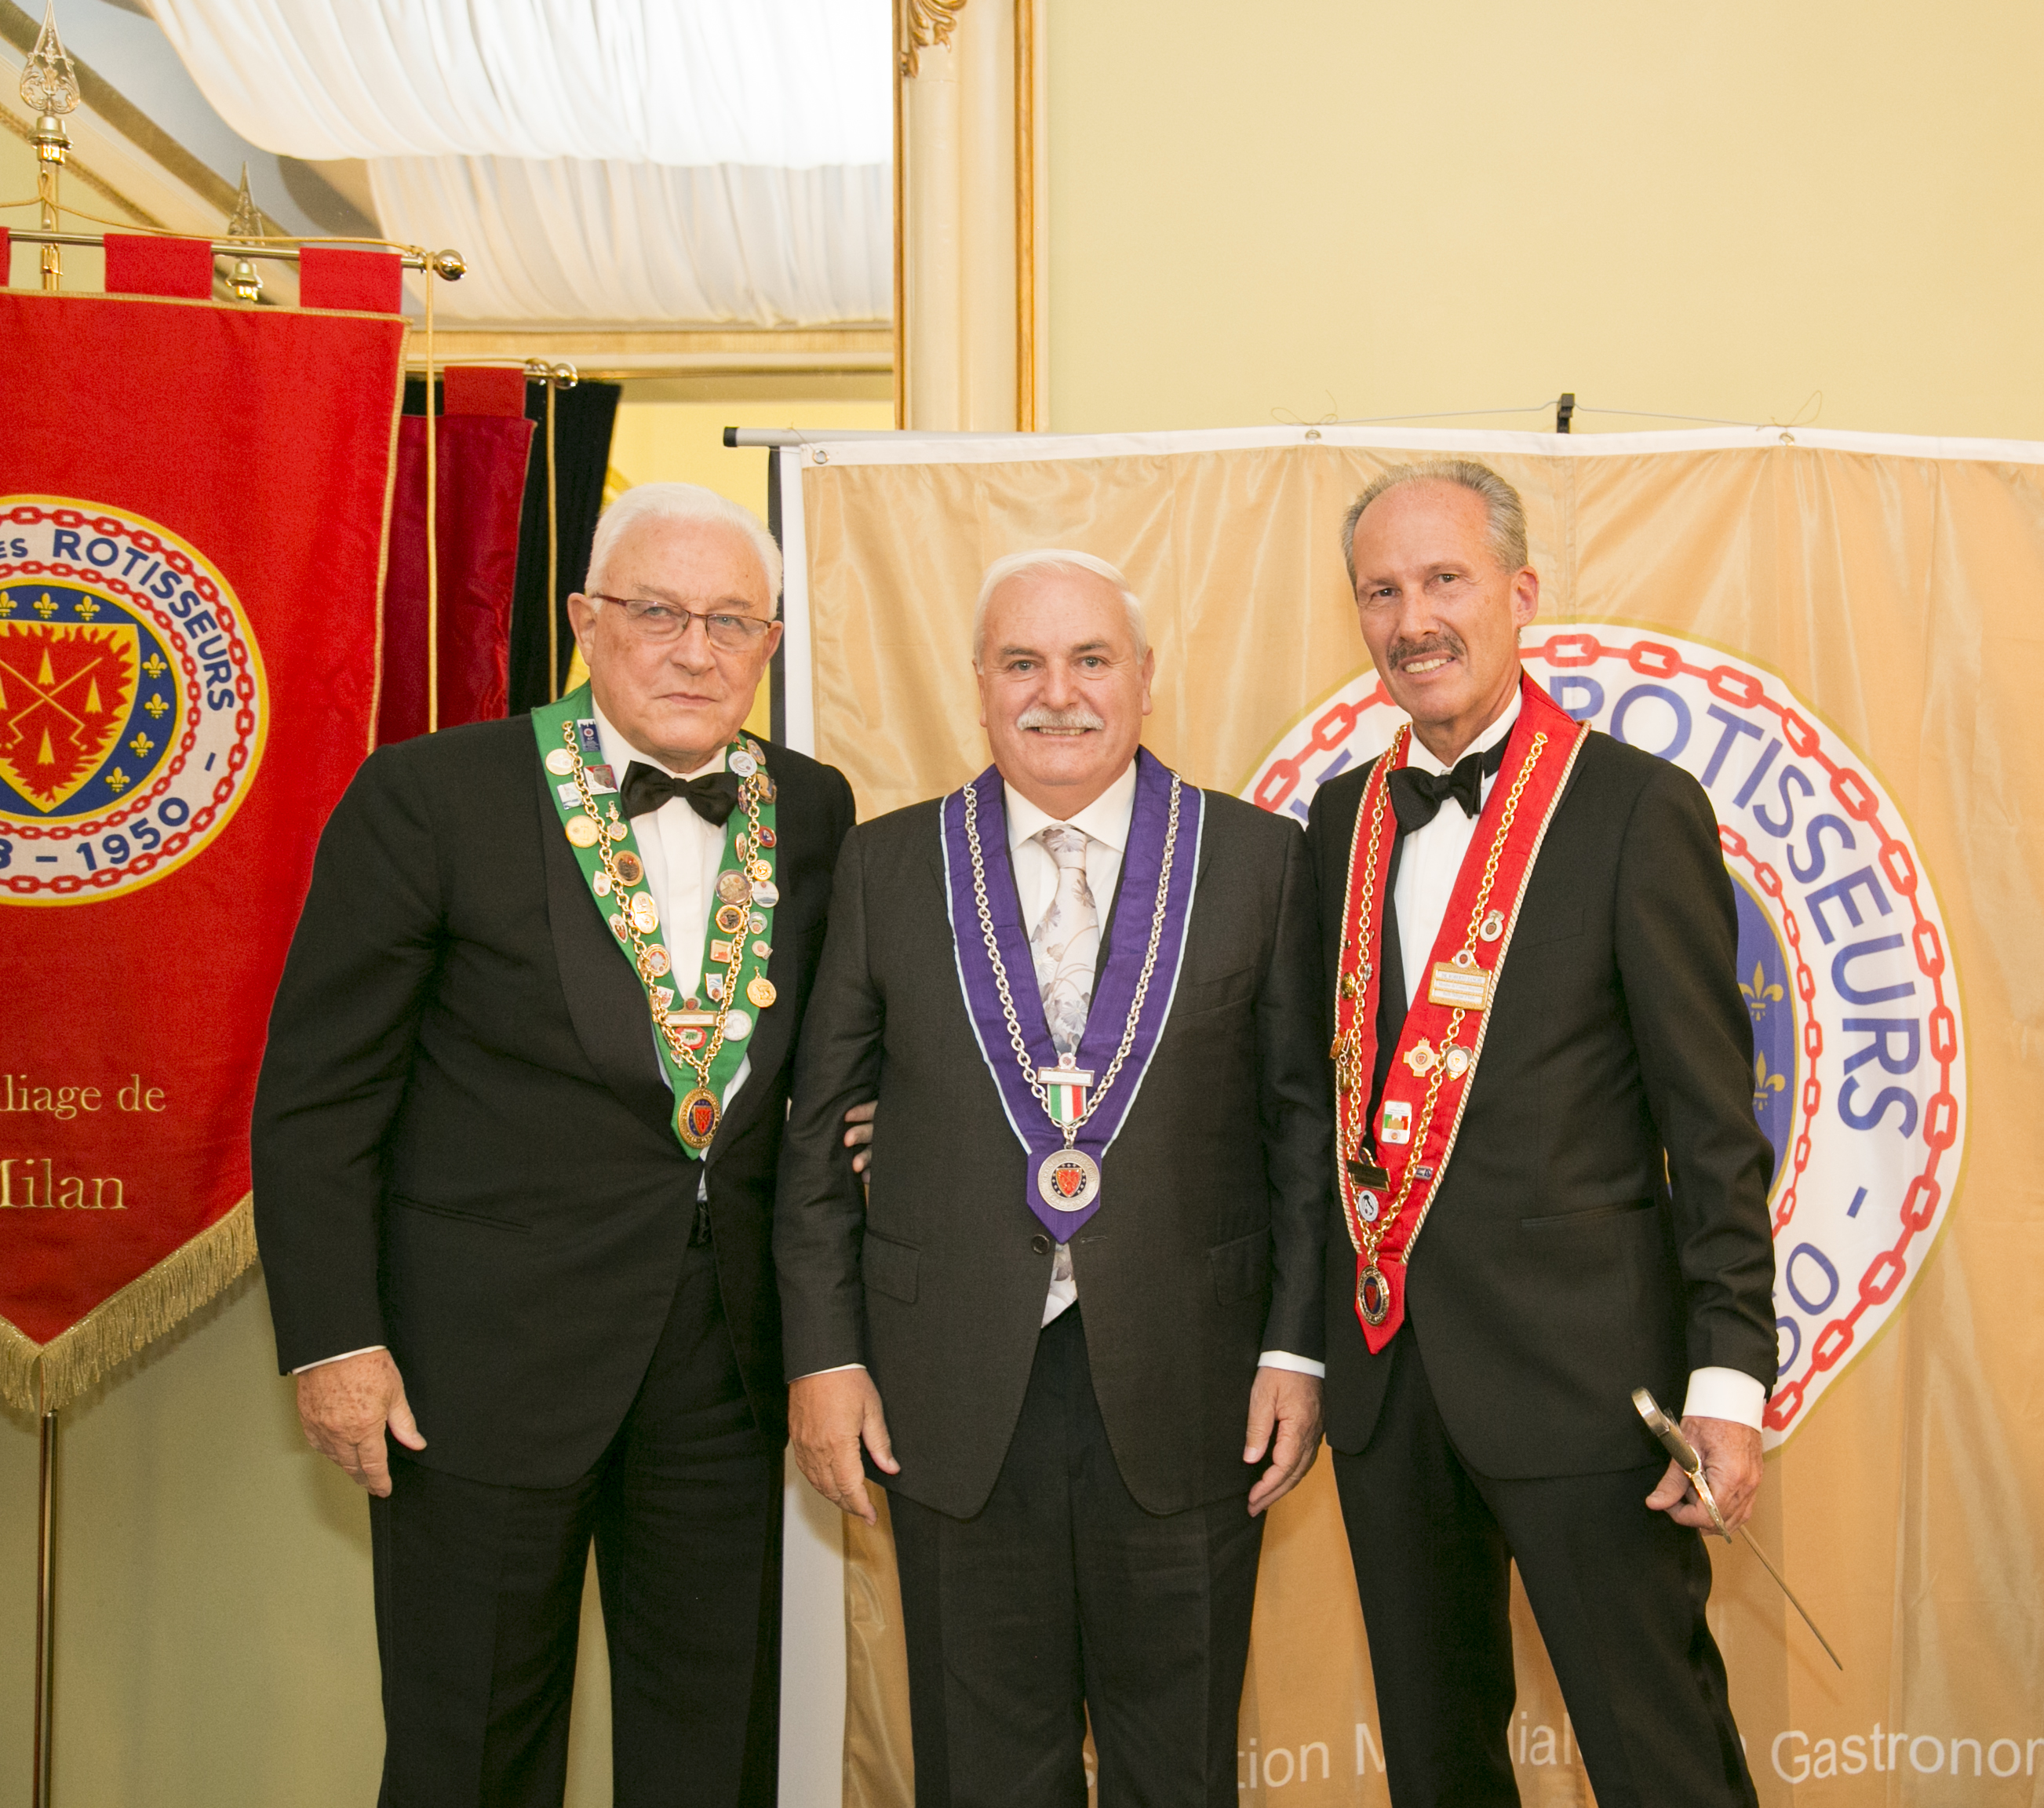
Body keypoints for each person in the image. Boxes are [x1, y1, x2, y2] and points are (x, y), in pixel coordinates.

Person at [251, 482, 858, 1808]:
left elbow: (824, 1071)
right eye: (658, 613)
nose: (695, 651)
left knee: (714, 1754)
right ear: (585, 621)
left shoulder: (814, 809)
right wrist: (335, 1341)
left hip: (725, 1361)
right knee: (469, 1753)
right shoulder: (431, 796)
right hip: (477, 1366)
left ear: (769, 644)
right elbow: (316, 1101)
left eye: (731, 622)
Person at [774, 549, 1334, 1806]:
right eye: (1022, 663)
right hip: (948, 1394)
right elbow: (815, 1144)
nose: (1058, 693)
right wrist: (825, 1359)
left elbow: (1302, 1135)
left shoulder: (1257, 861)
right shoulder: (888, 865)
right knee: (982, 1777)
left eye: (1091, 660)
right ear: (979, 684)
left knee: (1177, 1775)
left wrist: (1295, 1351)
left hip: (1194, 1390)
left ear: (1145, 677)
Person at [1309, 459, 1779, 1806]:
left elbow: (1714, 1127)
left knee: (1660, 1760)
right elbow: (1308, 1103)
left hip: (1589, 1386)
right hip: (1389, 1386)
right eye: (1381, 593)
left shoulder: (1635, 807)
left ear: (1520, 594)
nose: (1414, 620)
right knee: (1438, 1771)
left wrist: (1729, 1385)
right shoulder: (1339, 822)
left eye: (1444, 580)